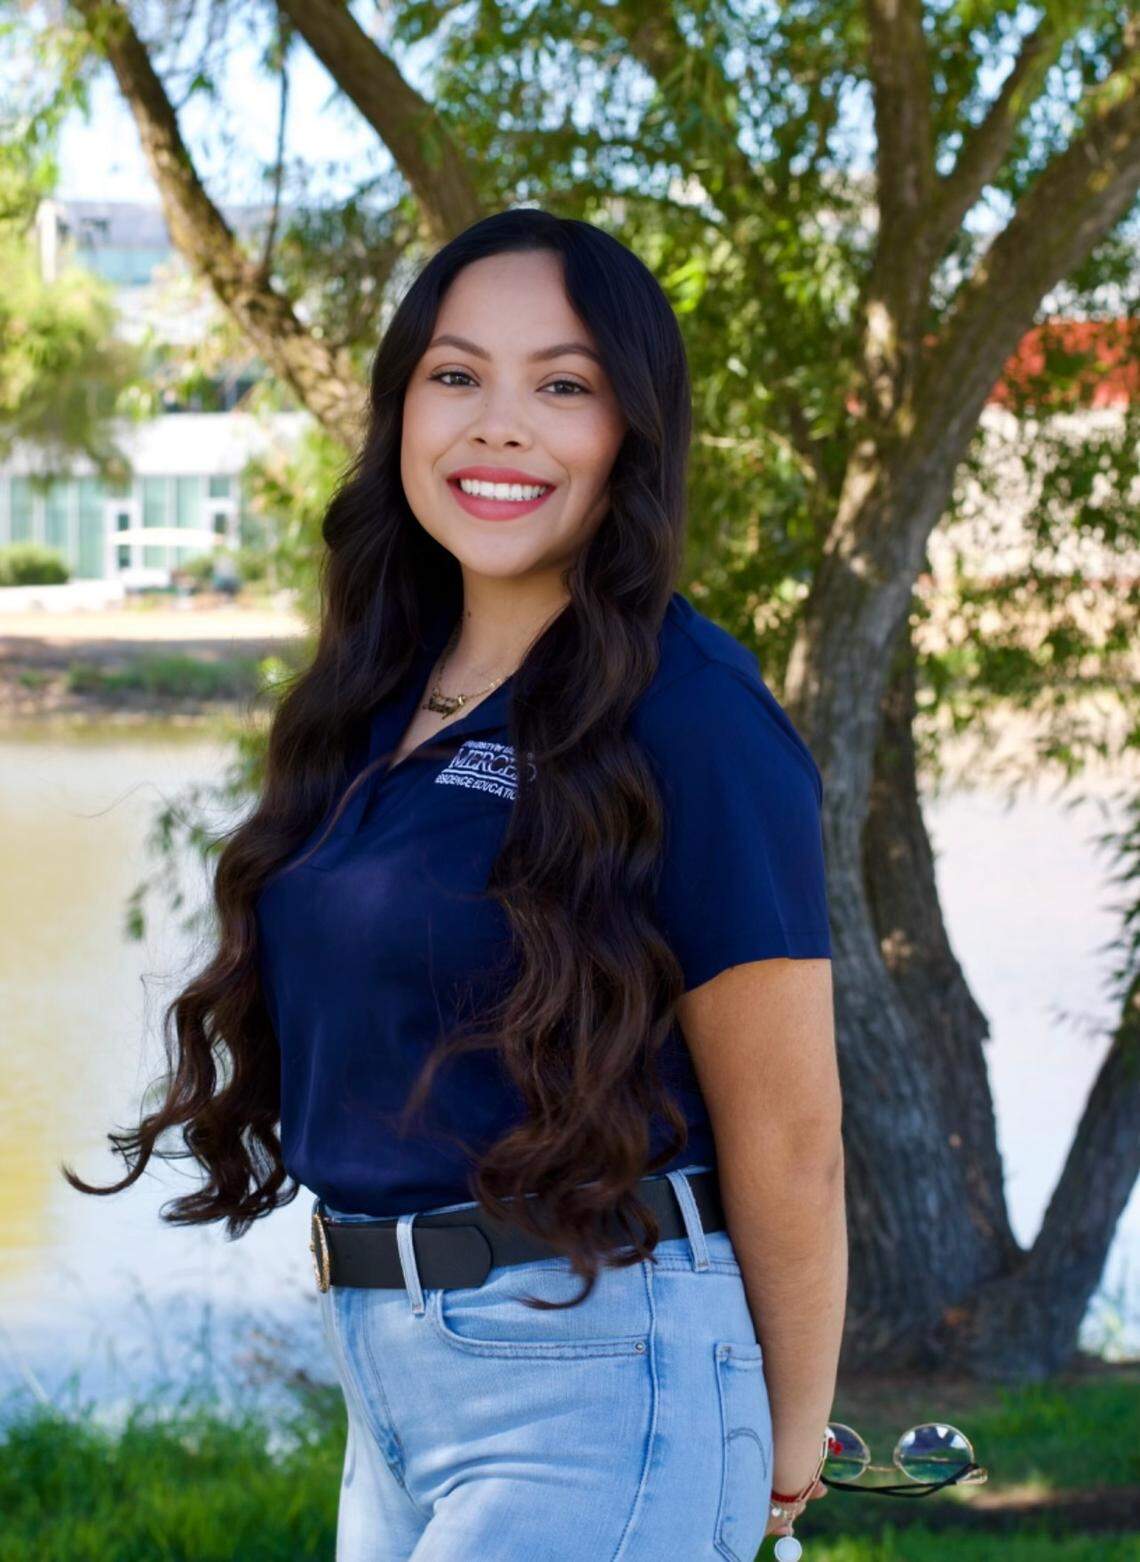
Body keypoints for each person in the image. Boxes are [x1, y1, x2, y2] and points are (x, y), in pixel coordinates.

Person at [66, 208, 845, 1559]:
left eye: (562, 384)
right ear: (401, 409)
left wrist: (785, 1445)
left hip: (604, 1375)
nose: (499, 423)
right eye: (455, 375)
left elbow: (792, 1137)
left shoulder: (695, 711)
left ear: (632, 433)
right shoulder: (377, 692)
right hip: (391, 1383)